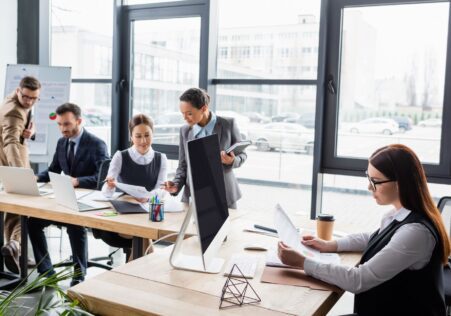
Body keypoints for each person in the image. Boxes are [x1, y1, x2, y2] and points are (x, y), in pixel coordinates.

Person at [278, 144, 451, 316]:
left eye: (375, 181)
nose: (369, 187)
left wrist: (302, 262)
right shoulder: (399, 214)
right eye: (368, 178)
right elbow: (373, 237)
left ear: (400, 184)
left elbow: (358, 279)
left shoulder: (416, 232)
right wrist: (330, 245)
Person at [29, 102, 109, 286]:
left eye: (66, 124)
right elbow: (53, 170)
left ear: (79, 121)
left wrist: (78, 181)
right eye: (59, 124)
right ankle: (47, 272)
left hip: (88, 202)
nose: (62, 129)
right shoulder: (61, 142)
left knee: (75, 225)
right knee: (32, 222)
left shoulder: (96, 144)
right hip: (66, 198)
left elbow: (101, 178)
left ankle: (79, 274)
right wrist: (36, 178)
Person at [162, 88, 246, 209]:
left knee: (226, 228)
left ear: (204, 108)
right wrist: (175, 186)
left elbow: (242, 154)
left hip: (224, 195)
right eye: (183, 114)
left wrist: (232, 161)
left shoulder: (228, 124)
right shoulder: (185, 130)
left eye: (189, 113)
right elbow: (183, 165)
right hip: (194, 196)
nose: (185, 118)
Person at [97, 113, 167, 258]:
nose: (143, 141)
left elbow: (161, 190)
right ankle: (140, 275)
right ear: (131, 137)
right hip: (124, 212)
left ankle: (132, 275)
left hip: (147, 210)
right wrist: (110, 185)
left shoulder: (161, 158)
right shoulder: (120, 156)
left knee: (142, 232)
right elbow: (106, 193)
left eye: (147, 135)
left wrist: (147, 197)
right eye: (138, 136)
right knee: (142, 233)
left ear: (153, 134)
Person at [0, 76, 41, 274]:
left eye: (34, 98)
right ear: (18, 91)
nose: (29, 102)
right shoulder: (14, 112)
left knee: (15, 209)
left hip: (10, 164)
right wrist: (21, 175)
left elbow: (18, 133)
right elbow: (10, 143)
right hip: (11, 164)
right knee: (21, 207)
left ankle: (15, 248)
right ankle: (15, 246)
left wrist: (29, 133)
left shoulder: (16, 100)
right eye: (26, 97)